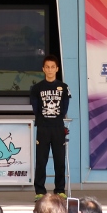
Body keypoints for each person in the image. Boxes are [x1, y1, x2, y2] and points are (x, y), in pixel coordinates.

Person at [30, 54, 70, 202]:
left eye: (53, 67)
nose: (50, 69)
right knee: (41, 161)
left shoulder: (64, 87)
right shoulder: (37, 88)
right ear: (43, 69)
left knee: (59, 161)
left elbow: (64, 107)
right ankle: (40, 191)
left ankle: (60, 190)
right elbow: (35, 108)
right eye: (47, 67)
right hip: (43, 128)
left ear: (57, 69)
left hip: (58, 128)